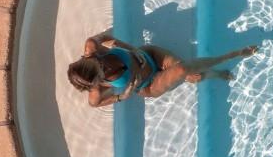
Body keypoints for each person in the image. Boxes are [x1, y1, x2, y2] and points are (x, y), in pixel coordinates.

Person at [67, 31, 258, 107]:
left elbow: (107, 37)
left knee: (191, 73)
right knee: (189, 74)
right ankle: (219, 71)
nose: (104, 67)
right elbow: (94, 104)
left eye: (99, 64)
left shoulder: (92, 46)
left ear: (89, 58)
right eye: (101, 74)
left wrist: (131, 49)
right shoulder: (95, 89)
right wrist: (122, 96)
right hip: (149, 85)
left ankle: (230, 56)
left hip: (150, 54)